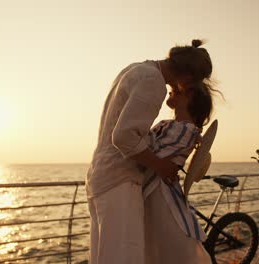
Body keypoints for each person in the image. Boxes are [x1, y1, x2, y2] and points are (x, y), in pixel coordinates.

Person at [86, 39, 213, 264]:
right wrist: (161, 165)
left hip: (100, 175)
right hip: (120, 179)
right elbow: (124, 136)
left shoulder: (135, 69)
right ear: (187, 79)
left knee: (104, 256)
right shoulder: (153, 82)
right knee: (124, 258)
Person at [143, 81, 219, 264]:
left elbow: (153, 154)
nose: (173, 88)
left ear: (190, 95)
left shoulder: (186, 130)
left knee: (168, 249)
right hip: (158, 191)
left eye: (179, 89)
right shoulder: (175, 127)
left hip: (160, 195)